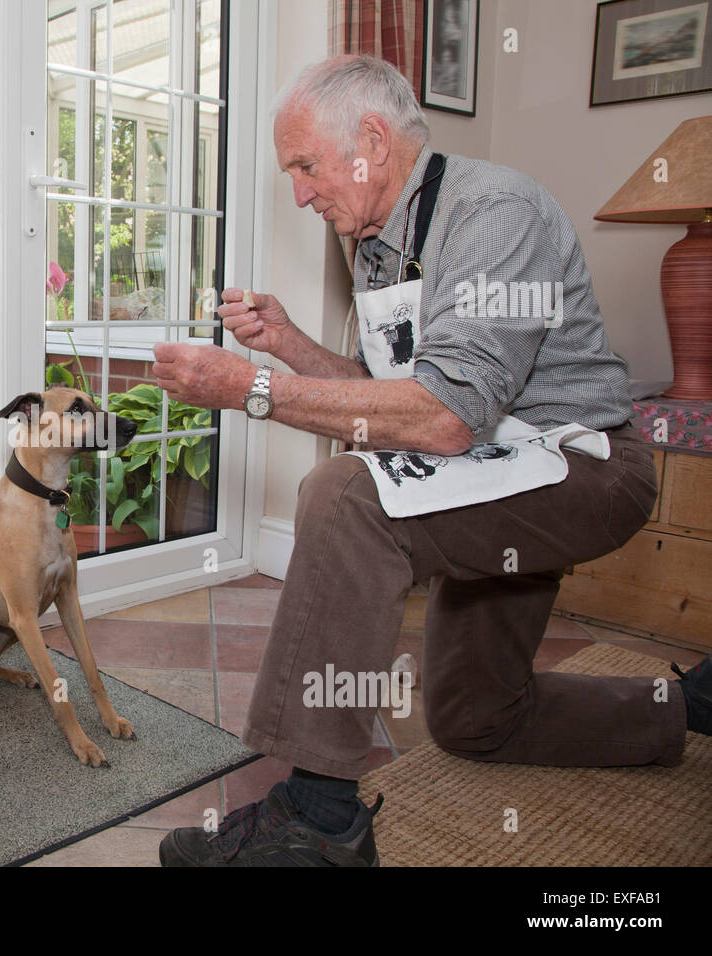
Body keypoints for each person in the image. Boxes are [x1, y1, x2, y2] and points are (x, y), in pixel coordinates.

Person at [151, 54, 712, 867]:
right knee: (476, 717)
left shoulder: (494, 212)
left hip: (583, 467)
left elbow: (446, 420)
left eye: (305, 167)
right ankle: (684, 705)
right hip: (494, 463)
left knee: (346, 498)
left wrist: (251, 389)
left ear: (370, 142)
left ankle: (319, 820)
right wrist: (288, 346)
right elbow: (393, 400)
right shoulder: (378, 238)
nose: (301, 193)